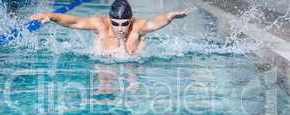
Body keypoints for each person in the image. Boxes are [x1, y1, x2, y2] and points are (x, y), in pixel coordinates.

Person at [31, 0, 192, 55]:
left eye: (124, 24)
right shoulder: (100, 25)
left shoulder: (136, 27)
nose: (120, 29)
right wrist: (52, 16)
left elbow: (154, 22)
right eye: (116, 24)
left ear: (131, 20)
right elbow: (75, 22)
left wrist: (170, 16)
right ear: (110, 19)